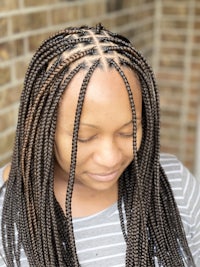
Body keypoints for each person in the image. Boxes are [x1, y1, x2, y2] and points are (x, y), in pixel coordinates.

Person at [0, 24, 199, 267]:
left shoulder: (176, 184)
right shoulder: (5, 214)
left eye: (128, 132)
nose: (110, 158)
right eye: (84, 137)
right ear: (45, 128)